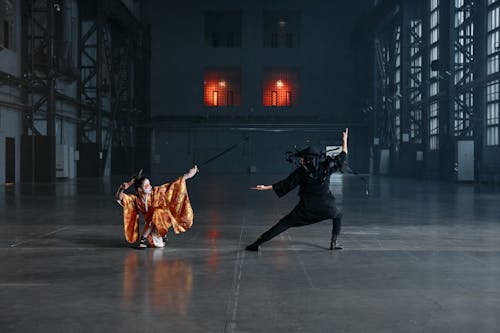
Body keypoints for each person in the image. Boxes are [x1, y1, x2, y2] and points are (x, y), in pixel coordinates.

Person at [246, 128, 349, 251]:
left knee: (284, 223)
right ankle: (333, 243)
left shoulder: (301, 172)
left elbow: (286, 184)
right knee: (338, 215)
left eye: (302, 158)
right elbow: (343, 155)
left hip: (306, 208)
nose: (300, 160)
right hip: (326, 206)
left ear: (308, 159)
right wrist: (344, 140)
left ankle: (257, 243)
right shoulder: (326, 167)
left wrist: (265, 187)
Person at [116, 165, 199, 248]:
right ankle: (161, 236)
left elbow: (173, 185)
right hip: (151, 224)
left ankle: (144, 240)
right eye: (147, 185)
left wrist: (189, 174)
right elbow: (121, 198)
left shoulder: (156, 192)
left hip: (163, 218)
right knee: (157, 245)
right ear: (139, 189)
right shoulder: (136, 200)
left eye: (149, 184)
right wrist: (121, 189)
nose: (150, 186)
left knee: (156, 212)